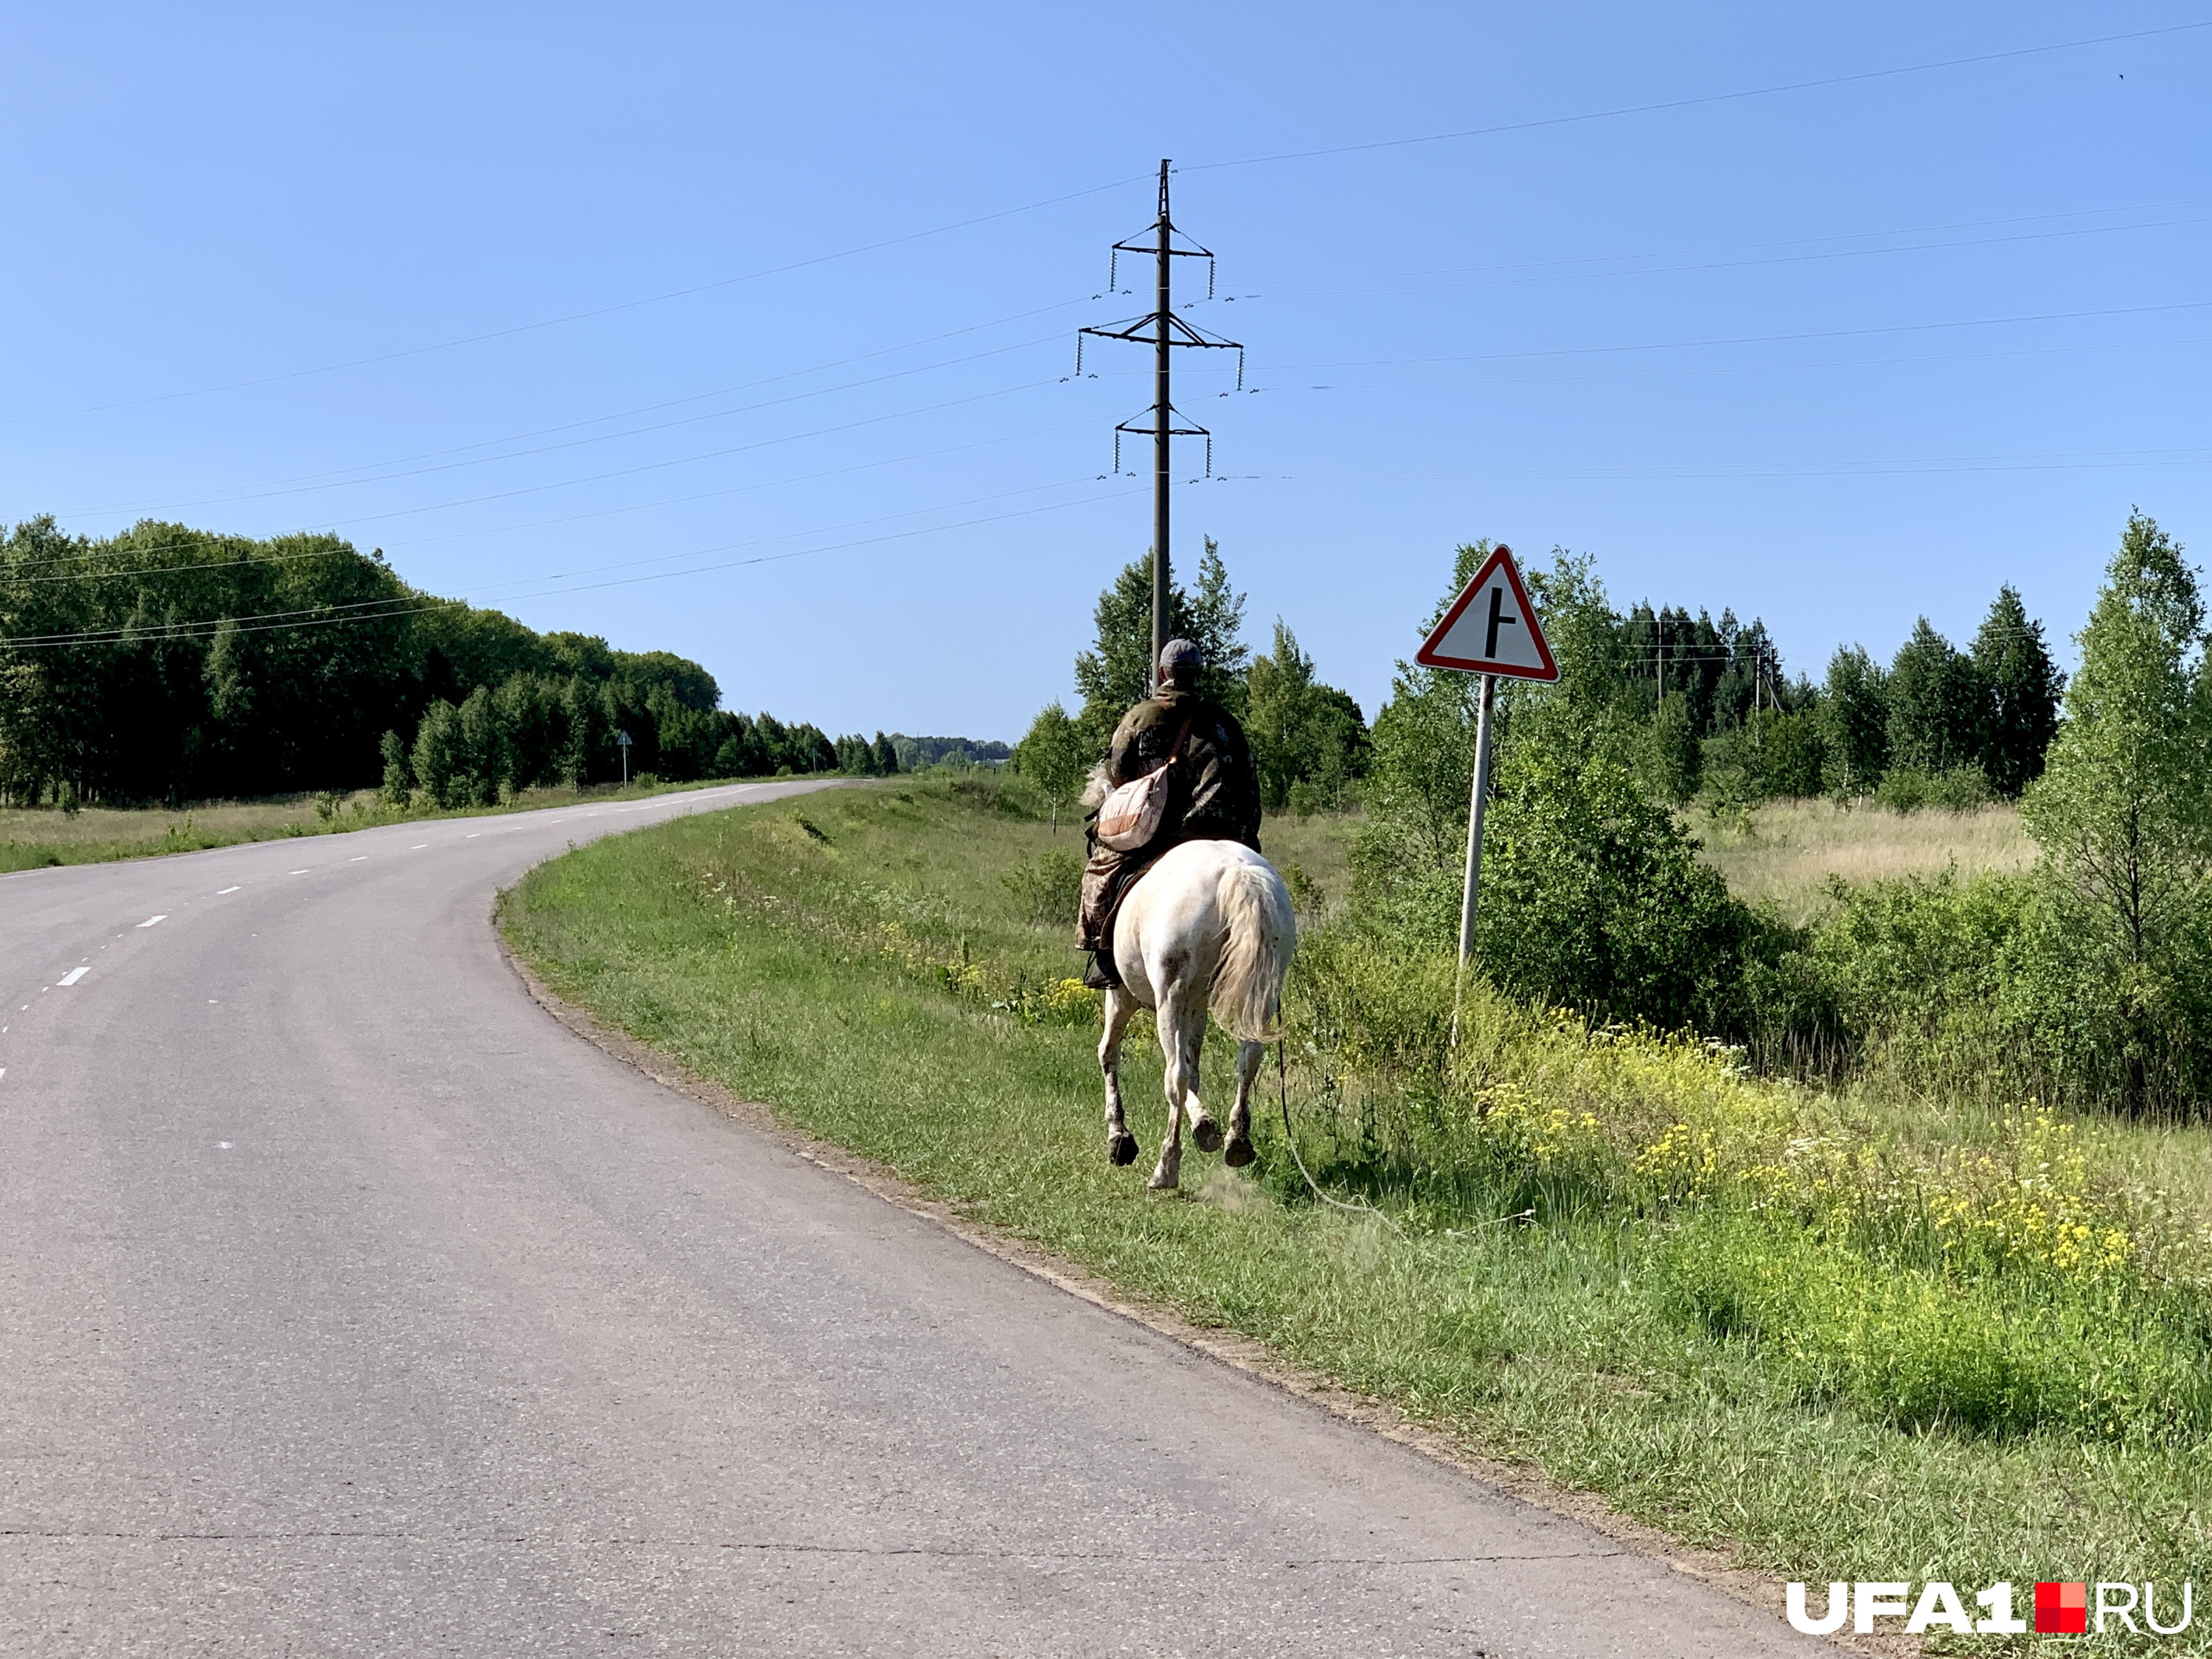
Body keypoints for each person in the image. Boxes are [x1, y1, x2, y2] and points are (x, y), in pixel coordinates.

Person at [1077, 638, 1262, 988]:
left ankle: (1103, 959)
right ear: (1198, 674)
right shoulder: (1226, 723)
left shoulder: (1141, 716)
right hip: (1229, 835)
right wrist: (1248, 837)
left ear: (1164, 672)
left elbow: (1117, 771)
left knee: (1100, 870)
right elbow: (1251, 784)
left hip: (1162, 834)